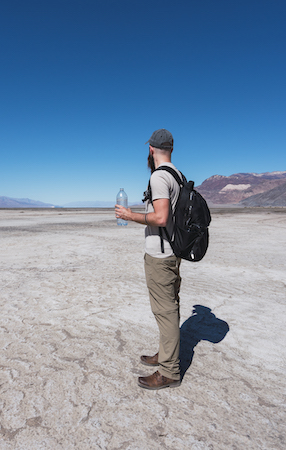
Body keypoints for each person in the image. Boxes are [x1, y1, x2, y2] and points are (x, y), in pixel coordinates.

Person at [115, 128, 183, 390]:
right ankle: (165, 356)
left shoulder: (159, 178)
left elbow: (161, 218)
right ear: (171, 149)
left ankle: (169, 372)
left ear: (151, 150)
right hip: (172, 252)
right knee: (169, 309)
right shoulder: (177, 174)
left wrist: (130, 216)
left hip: (160, 255)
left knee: (165, 312)